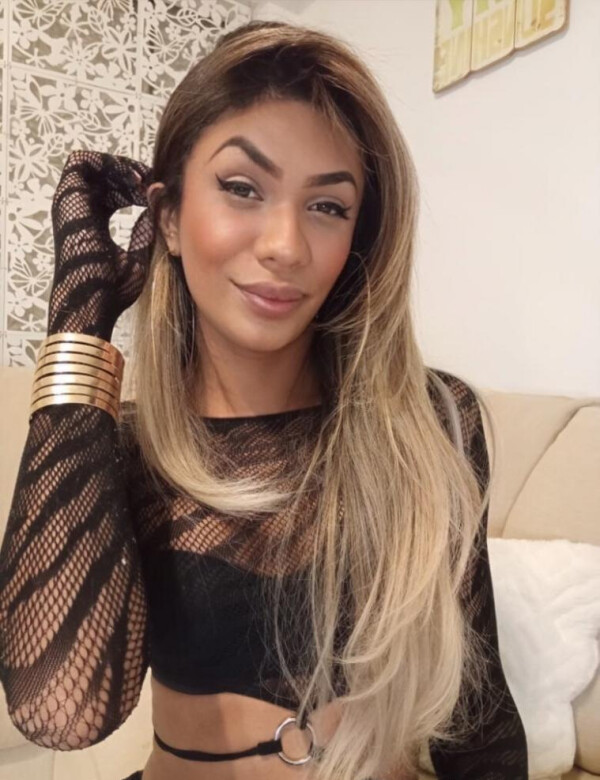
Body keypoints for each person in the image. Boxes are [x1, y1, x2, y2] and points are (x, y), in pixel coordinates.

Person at [0, 19, 528, 780]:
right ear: (168, 218)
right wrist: (80, 315)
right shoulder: (120, 450)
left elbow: (479, 723)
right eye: (242, 189)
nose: (286, 245)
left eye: (328, 206)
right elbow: (61, 710)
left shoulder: (430, 421)